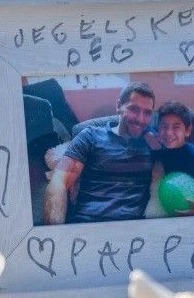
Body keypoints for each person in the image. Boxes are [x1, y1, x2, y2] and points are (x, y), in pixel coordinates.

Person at [44, 82, 157, 224]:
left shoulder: (154, 143)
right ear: (119, 106)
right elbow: (59, 181)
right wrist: (55, 232)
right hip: (88, 225)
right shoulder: (90, 136)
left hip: (135, 230)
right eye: (133, 109)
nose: (140, 119)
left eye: (147, 113)